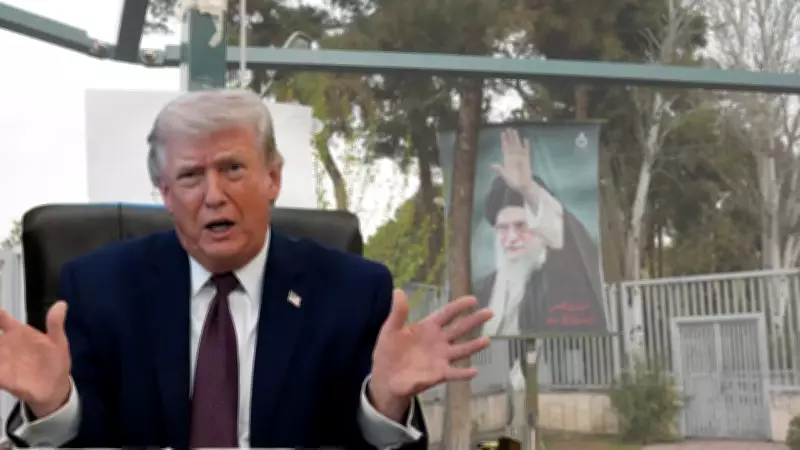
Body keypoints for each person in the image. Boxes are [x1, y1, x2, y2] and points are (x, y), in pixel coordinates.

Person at [0, 89, 492, 449]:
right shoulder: (98, 289)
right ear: (166, 194)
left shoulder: (352, 292)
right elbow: (86, 442)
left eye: (232, 168)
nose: (214, 195)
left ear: (273, 178)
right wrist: (54, 405)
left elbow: (363, 444)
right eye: (190, 176)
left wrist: (383, 404)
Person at [475, 128, 606, 337]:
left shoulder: (560, 277)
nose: (511, 238)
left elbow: (566, 233)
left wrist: (528, 190)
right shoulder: (479, 291)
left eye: (521, 226)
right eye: (503, 228)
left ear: (541, 227)